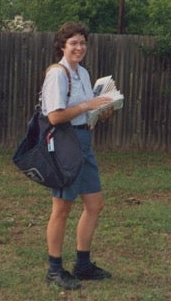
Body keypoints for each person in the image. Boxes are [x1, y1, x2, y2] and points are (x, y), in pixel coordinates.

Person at [41, 21, 114, 290]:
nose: (79, 47)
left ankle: (82, 265)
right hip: (65, 144)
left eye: (82, 42)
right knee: (61, 208)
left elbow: (84, 110)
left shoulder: (82, 73)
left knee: (95, 205)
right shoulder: (58, 74)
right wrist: (87, 105)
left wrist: (99, 111)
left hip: (84, 140)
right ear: (62, 45)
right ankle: (54, 270)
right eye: (73, 43)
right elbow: (55, 116)